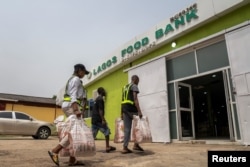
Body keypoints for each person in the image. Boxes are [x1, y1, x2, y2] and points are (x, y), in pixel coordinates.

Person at [48, 63, 89, 166]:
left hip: (68, 105)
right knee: (75, 132)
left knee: (74, 131)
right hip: (72, 106)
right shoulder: (75, 80)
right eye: (84, 72)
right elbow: (73, 94)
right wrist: (76, 109)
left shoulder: (73, 79)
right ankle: (55, 151)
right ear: (79, 70)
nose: (84, 74)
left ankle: (72, 159)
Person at [121, 75, 144, 154]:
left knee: (127, 129)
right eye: (138, 81)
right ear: (136, 80)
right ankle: (136, 145)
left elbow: (122, 100)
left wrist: (121, 113)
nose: (138, 83)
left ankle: (125, 147)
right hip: (132, 110)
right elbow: (135, 98)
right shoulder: (134, 86)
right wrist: (139, 111)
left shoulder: (125, 87)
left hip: (125, 110)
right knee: (138, 128)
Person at [91, 87, 116, 153]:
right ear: (102, 92)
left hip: (94, 119)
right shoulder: (100, 99)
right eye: (104, 91)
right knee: (107, 131)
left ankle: (88, 147)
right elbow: (100, 110)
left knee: (92, 135)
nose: (105, 92)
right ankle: (107, 147)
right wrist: (103, 120)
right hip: (99, 119)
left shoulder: (96, 99)